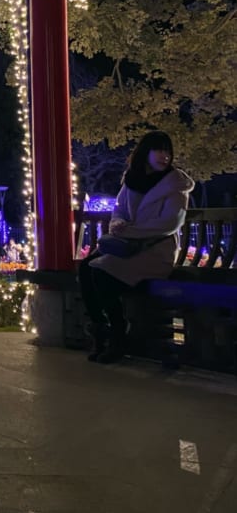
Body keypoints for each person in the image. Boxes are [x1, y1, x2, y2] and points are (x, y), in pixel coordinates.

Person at [79, 130, 194, 364]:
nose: (164, 156)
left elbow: (170, 223)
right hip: (128, 247)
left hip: (156, 250)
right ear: (145, 152)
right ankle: (101, 328)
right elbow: (119, 210)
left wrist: (130, 231)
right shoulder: (132, 180)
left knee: (101, 272)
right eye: (159, 150)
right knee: (85, 267)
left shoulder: (175, 184)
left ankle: (119, 333)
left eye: (167, 151)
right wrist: (118, 223)